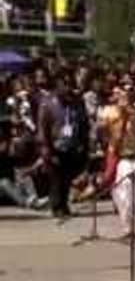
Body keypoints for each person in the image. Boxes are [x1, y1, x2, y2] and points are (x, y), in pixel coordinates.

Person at [102, 86, 135, 237]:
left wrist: (132, 115)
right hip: (123, 159)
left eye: (128, 95)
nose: (125, 98)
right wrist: (119, 119)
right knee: (121, 195)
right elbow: (105, 133)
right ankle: (127, 229)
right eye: (123, 95)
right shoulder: (114, 113)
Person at [37, 75, 88, 222]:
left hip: (72, 145)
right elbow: (42, 127)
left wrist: (83, 143)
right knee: (56, 178)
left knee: (66, 177)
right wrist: (46, 147)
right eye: (63, 85)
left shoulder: (76, 102)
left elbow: (83, 123)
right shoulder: (47, 103)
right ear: (57, 86)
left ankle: (64, 205)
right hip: (54, 145)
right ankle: (56, 207)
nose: (67, 88)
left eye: (69, 85)